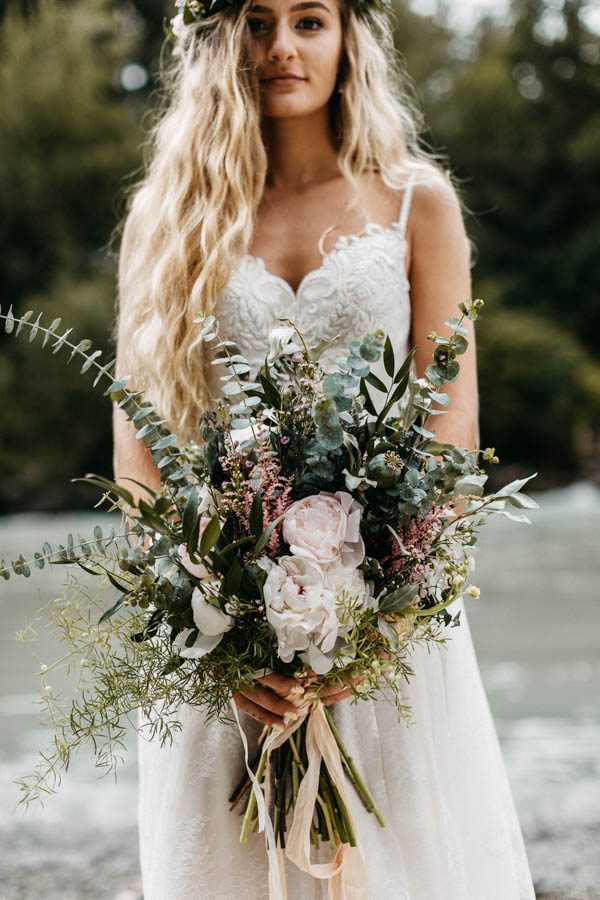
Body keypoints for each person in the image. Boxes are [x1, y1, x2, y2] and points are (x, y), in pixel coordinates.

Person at [112, 0, 537, 896]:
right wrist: (215, 633)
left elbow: (450, 428)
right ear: (220, 37)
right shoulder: (171, 213)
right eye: (257, 22)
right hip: (221, 618)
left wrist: (380, 623)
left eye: (309, 20)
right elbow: (140, 444)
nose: (280, 48)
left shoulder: (418, 202)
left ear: (349, 38)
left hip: (388, 621)